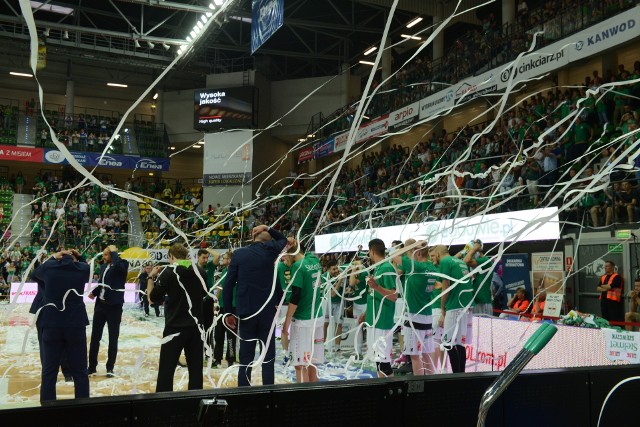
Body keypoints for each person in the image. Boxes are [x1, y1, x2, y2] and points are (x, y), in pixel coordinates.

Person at [223, 224, 288, 387]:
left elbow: (228, 284)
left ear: (253, 238)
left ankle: (244, 393)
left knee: (245, 356)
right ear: (268, 241)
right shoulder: (271, 250)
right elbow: (283, 239)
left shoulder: (238, 254)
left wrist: (228, 312)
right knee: (268, 357)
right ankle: (269, 392)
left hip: (246, 312)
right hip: (268, 313)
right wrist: (268, 227)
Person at [33, 249, 90, 401]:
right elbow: (87, 266)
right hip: (75, 325)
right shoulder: (82, 269)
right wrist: (79, 256)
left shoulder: (50, 268)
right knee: (80, 371)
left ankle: (47, 409)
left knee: (49, 372)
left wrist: (53, 257)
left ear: (59, 259)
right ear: (74, 260)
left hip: (51, 324)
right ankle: (83, 409)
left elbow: (36, 272)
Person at [148, 243, 206, 392]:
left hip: (174, 328)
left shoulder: (169, 272)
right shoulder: (200, 271)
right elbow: (204, 295)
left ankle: (164, 405)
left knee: (166, 370)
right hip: (196, 328)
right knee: (196, 371)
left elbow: (152, 299)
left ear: (172, 256)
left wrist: (150, 277)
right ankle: (196, 402)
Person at [282, 240, 324, 383]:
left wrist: (286, 324)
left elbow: (295, 297)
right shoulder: (314, 260)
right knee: (313, 362)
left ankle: (303, 400)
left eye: (285, 254)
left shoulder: (297, 267)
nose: (284, 258)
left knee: (300, 365)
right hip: (317, 318)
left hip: (303, 321)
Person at [393, 240, 437, 376]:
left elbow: (394, 255)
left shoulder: (416, 267)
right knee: (426, 354)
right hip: (427, 316)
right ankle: (431, 381)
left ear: (417, 254)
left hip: (414, 317)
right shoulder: (431, 267)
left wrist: (408, 247)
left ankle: (420, 384)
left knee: (415, 356)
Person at [29, 253, 73, 383]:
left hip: (60, 310)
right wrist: (52, 258)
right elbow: (34, 274)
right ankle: (47, 372)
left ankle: (67, 372)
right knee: (43, 343)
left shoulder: (61, 272)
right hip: (42, 310)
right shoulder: (43, 272)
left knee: (63, 342)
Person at [87, 244, 129, 377]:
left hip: (114, 307)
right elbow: (102, 283)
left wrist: (114, 252)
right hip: (100, 306)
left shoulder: (122, 264)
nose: (103, 257)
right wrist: (94, 292)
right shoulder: (103, 266)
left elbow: (118, 268)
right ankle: (92, 367)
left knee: (113, 338)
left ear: (112, 255)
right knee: (95, 338)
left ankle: (110, 367)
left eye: (106, 254)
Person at [359, 238, 398, 378]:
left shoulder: (386, 267)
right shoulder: (379, 268)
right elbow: (374, 295)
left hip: (382, 322)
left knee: (383, 363)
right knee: (378, 361)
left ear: (372, 251)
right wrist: (366, 314)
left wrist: (376, 286)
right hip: (374, 321)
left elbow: (394, 295)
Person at [431, 245, 473, 373]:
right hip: (466, 305)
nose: (432, 259)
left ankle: (457, 375)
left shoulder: (445, 261)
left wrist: (443, 309)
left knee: (449, 343)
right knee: (459, 343)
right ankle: (461, 375)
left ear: (438, 254)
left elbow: (446, 286)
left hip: (455, 306)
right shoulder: (460, 261)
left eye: (433, 255)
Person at [213, 250, 236, 367]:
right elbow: (220, 287)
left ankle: (231, 358)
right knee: (218, 334)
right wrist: (215, 301)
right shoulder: (223, 272)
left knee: (231, 335)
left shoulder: (237, 272)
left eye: (225, 258)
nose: (223, 260)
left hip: (233, 307)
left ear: (230, 260)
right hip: (221, 307)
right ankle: (217, 357)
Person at [196, 248, 219, 359]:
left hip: (208, 300)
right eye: (203, 257)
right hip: (197, 300)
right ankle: (197, 350)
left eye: (206, 257)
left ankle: (208, 351)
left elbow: (217, 256)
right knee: (197, 327)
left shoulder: (210, 266)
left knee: (209, 327)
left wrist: (207, 249)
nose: (205, 260)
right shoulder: (193, 268)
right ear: (198, 257)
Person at [463, 242, 494, 316]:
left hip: (483, 302)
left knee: (484, 327)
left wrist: (474, 249)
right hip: (473, 302)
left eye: (470, 253)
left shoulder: (486, 260)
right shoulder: (470, 266)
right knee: (474, 327)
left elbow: (466, 260)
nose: (469, 255)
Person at [323, 260, 344, 351]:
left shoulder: (342, 274)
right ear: (328, 270)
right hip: (327, 302)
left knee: (339, 324)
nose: (336, 271)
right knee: (325, 323)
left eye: (336, 268)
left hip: (339, 303)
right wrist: (340, 280)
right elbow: (332, 294)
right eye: (333, 269)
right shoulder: (325, 277)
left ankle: (337, 347)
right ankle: (322, 345)